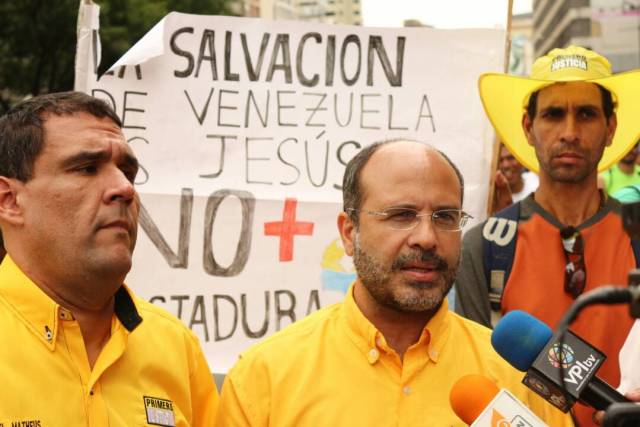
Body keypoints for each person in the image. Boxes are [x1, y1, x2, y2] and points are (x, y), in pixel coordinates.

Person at [216, 139, 571, 426]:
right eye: (401, 215)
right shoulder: (265, 378)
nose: (427, 238)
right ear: (349, 231)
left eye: (445, 216)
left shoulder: (519, 378)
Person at [0, 92, 218, 425]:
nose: (125, 189)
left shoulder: (176, 346)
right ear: (10, 200)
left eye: (128, 173)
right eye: (87, 168)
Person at [456, 45, 640, 427]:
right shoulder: (486, 246)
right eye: (554, 114)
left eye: (586, 114)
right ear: (528, 127)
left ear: (611, 128)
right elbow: (474, 377)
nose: (569, 132)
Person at [492, 144, 539, 213]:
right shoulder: (491, 199)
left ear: (521, 160)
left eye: (511, 158)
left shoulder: (537, 181)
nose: (506, 165)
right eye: (500, 160)